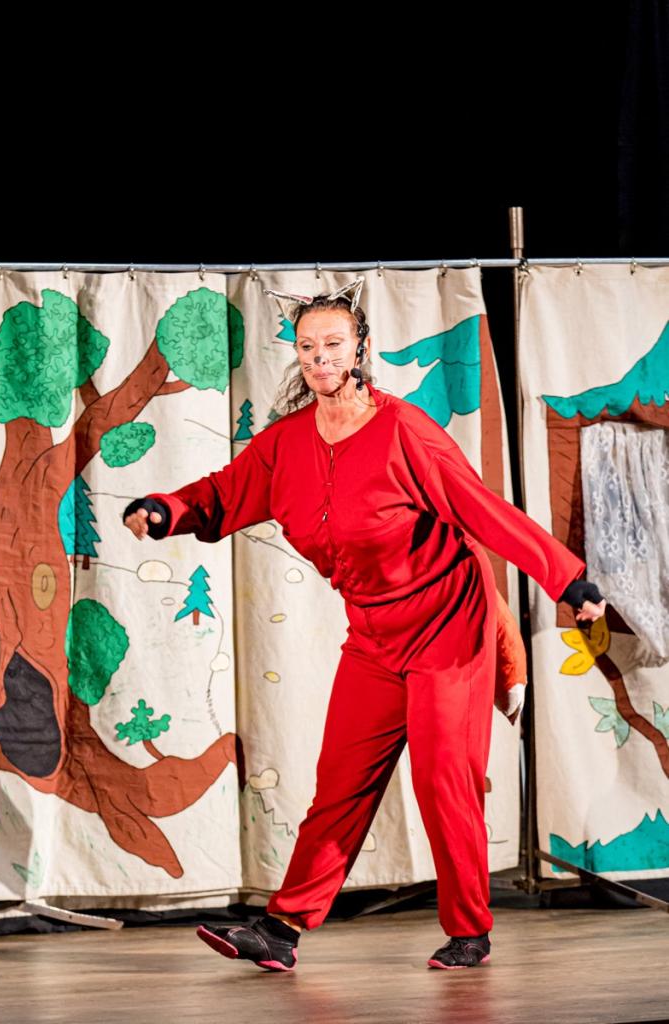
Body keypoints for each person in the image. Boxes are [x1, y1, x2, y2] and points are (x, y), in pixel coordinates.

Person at [123, 278, 606, 973]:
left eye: (333, 344)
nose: (319, 357)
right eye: (307, 347)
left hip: (448, 624)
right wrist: (166, 509)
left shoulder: (404, 431)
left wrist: (566, 578)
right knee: (341, 782)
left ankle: (469, 930)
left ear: (359, 350)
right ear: (297, 354)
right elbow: (223, 494)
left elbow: (482, 509)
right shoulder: (285, 444)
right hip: (375, 635)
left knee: (442, 779)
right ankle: (282, 929)